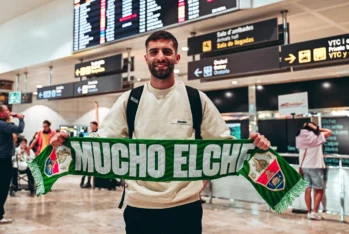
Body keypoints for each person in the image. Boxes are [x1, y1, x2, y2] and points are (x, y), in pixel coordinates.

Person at [51, 30, 270, 234]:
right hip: (139, 209)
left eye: (167, 51)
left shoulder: (196, 99)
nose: (160, 57)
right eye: (154, 51)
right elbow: (102, 140)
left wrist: (254, 145)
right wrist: (68, 142)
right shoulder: (131, 100)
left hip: (185, 209)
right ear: (145, 58)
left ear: (177, 58)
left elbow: (224, 144)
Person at [296, 122, 332, 220]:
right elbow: (329, 131)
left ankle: (309, 212)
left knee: (307, 190)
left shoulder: (299, 137)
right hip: (315, 166)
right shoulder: (317, 136)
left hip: (304, 167)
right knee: (319, 190)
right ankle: (314, 213)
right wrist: (317, 129)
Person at [0, 104, 24, 224]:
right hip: (3, 159)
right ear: (1, 114)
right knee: (3, 187)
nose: (9, 112)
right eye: (7, 111)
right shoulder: (3, 124)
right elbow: (19, 129)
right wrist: (21, 118)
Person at [80, 121, 99, 188]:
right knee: (88, 168)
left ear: (96, 126)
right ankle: (87, 182)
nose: (91, 127)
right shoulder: (91, 133)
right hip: (90, 153)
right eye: (90, 125)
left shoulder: (98, 133)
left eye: (92, 125)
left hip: (96, 153)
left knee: (92, 169)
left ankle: (93, 183)